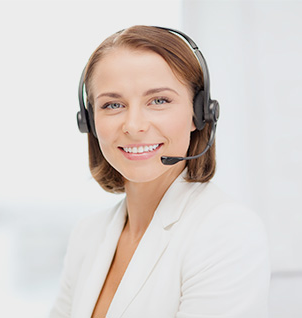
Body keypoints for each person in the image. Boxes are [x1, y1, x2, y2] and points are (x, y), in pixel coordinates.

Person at [50, 25, 270, 318]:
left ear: (199, 114)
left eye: (159, 101)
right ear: (89, 122)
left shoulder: (226, 232)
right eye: (113, 104)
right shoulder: (87, 234)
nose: (134, 125)